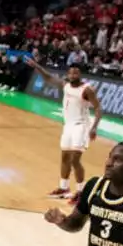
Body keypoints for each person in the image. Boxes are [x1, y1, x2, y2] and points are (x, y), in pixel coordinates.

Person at [27, 59, 103, 201]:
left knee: (75, 160)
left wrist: (94, 128)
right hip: (68, 125)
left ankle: (81, 193)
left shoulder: (87, 89)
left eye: (76, 73)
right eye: (71, 72)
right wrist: (37, 66)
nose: (73, 75)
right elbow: (49, 78)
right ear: (68, 74)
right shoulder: (65, 84)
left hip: (81, 126)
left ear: (80, 74)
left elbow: (98, 108)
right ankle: (63, 188)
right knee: (65, 158)